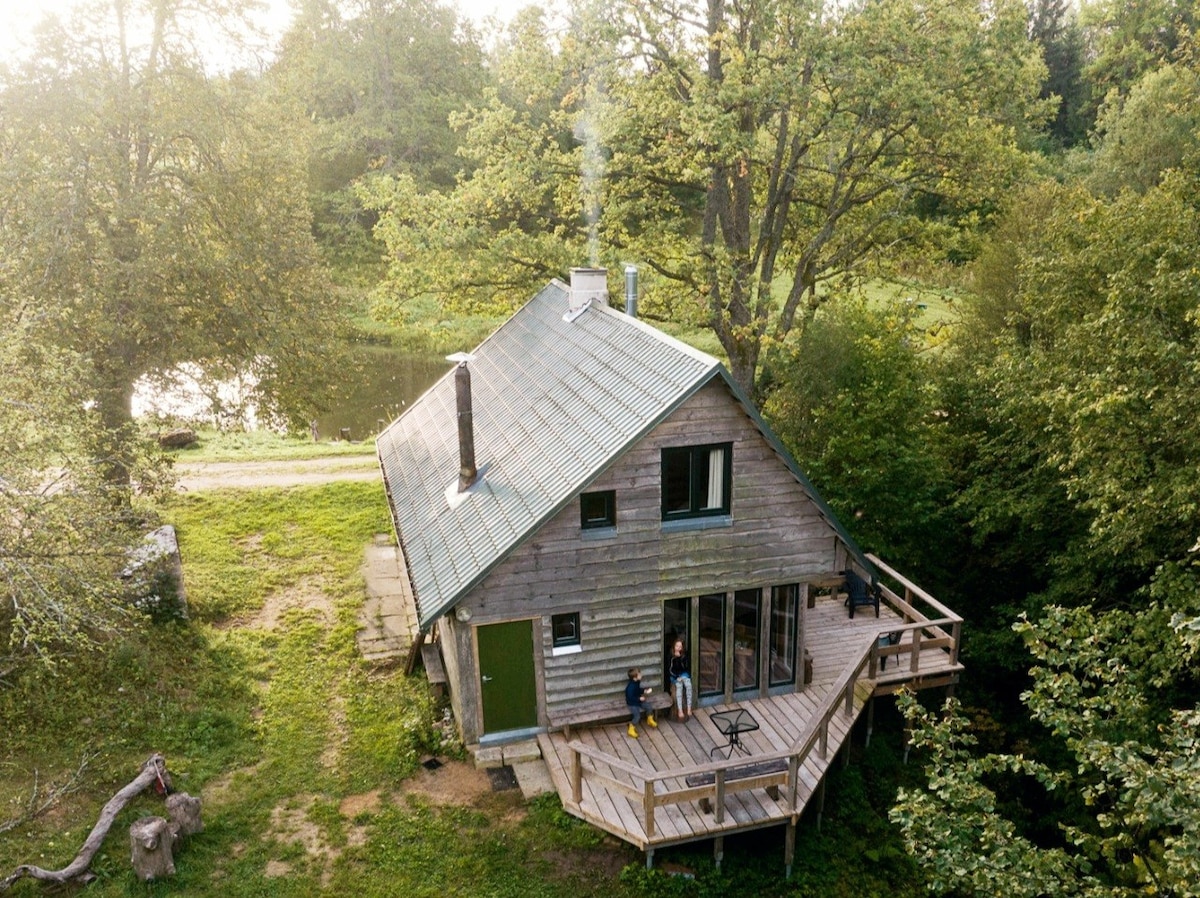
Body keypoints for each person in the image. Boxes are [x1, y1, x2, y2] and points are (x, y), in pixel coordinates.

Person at [624, 667, 657, 738]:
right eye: (639, 674)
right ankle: (631, 728)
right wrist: (639, 698)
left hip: (638, 701)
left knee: (649, 707)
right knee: (637, 716)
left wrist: (644, 691)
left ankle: (650, 719)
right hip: (632, 703)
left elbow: (638, 690)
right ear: (635, 677)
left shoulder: (636, 682)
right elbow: (630, 697)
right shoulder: (630, 687)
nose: (641, 675)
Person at [668, 639, 693, 721]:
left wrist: (680, 659)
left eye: (680, 647)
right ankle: (680, 710)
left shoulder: (684, 656)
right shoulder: (671, 656)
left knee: (688, 685)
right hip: (674, 676)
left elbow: (685, 668)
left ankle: (689, 707)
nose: (678, 648)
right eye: (677, 646)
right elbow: (670, 670)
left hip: (683, 674)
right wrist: (677, 677)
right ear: (674, 646)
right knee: (679, 688)